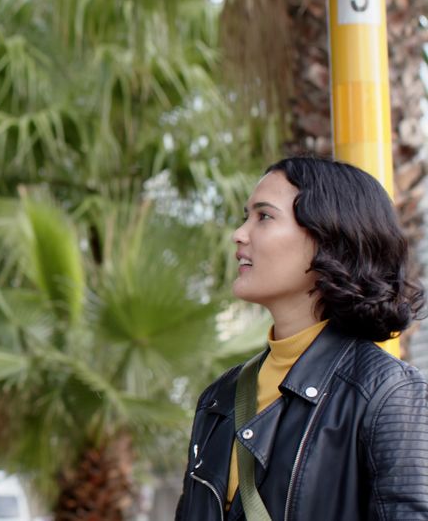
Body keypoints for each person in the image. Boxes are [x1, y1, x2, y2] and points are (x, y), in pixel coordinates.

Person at [176, 157, 428, 520]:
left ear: (328, 239)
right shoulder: (219, 398)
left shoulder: (387, 394)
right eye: (245, 216)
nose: (239, 234)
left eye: (264, 216)